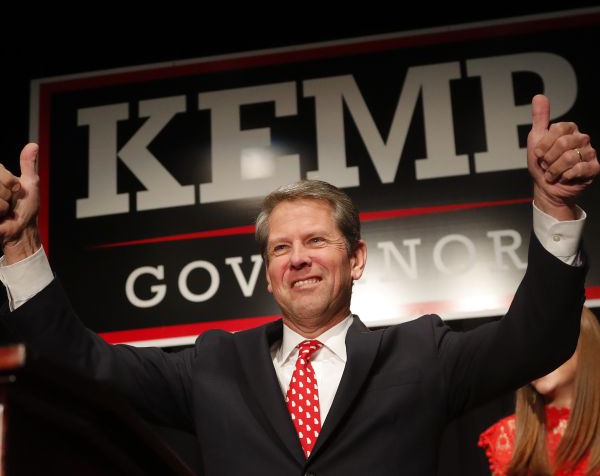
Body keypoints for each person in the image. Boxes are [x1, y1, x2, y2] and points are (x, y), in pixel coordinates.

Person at [0, 95, 598, 475]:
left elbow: (538, 338)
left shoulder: (423, 353)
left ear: (356, 258)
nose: (298, 259)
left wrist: (553, 204)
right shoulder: (213, 366)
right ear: (267, 271)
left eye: (316, 241)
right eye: (280, 248)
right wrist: (18, 244)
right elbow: (79, 363)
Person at [478, 306, 600, 476]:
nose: (537, 359)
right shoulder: (509, 436)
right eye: (528, 351)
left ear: (583, 344)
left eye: (549, 343)